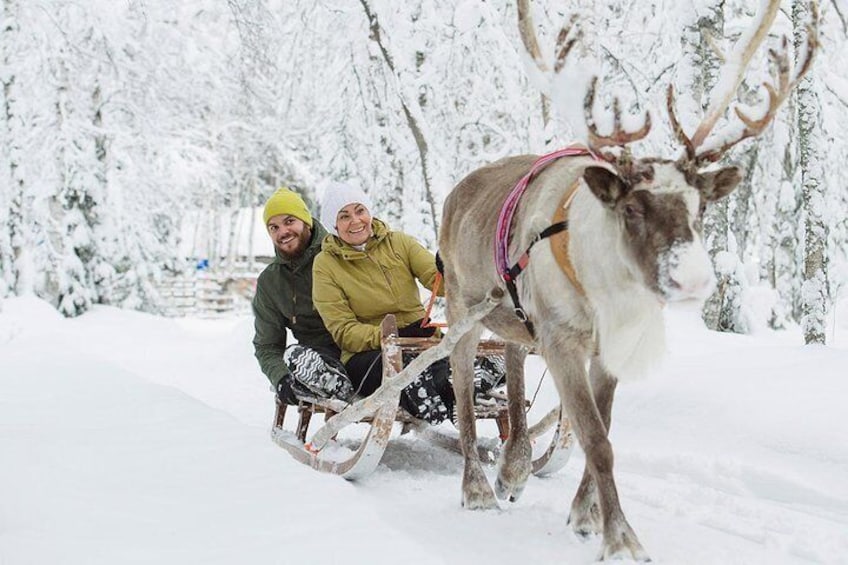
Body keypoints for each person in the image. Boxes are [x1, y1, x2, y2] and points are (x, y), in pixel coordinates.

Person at [312, 182, 506, 424]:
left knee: (435, 356)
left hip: (418, 339)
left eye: (360, 210)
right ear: (333, 224)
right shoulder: (325, 264)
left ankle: (463, 383)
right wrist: (389, 336)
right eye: (344, 216)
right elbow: (343, 331)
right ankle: (461, 386)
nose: (356, 220)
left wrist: (451, 269)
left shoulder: (399, 243)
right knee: (412, 365)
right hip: (368, 354)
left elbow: (438, 281)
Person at [252, 187, 355, 405]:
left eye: (290, 221)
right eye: (274, 227)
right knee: (295, 356)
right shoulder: (271, 282)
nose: (283, 232)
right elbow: (267, 345)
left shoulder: (340, 250)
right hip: (319, 356)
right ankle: (333, 381)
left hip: (361, 344)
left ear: (306, 222)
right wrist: (280, 377)